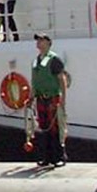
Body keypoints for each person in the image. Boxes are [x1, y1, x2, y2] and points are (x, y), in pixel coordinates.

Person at [29, 33, 68, 167]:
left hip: (52, 98)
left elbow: (61, 79)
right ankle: (46, 157)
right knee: (44, 128)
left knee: (56, 128)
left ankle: (59, 157)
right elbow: (35, 82)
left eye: (41, 40)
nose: (38, 43)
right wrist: (31, 97)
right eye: (37, 40)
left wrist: (62, 98)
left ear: (48, 43)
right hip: (41, 98)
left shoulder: (54, 59)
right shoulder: (36, 61)